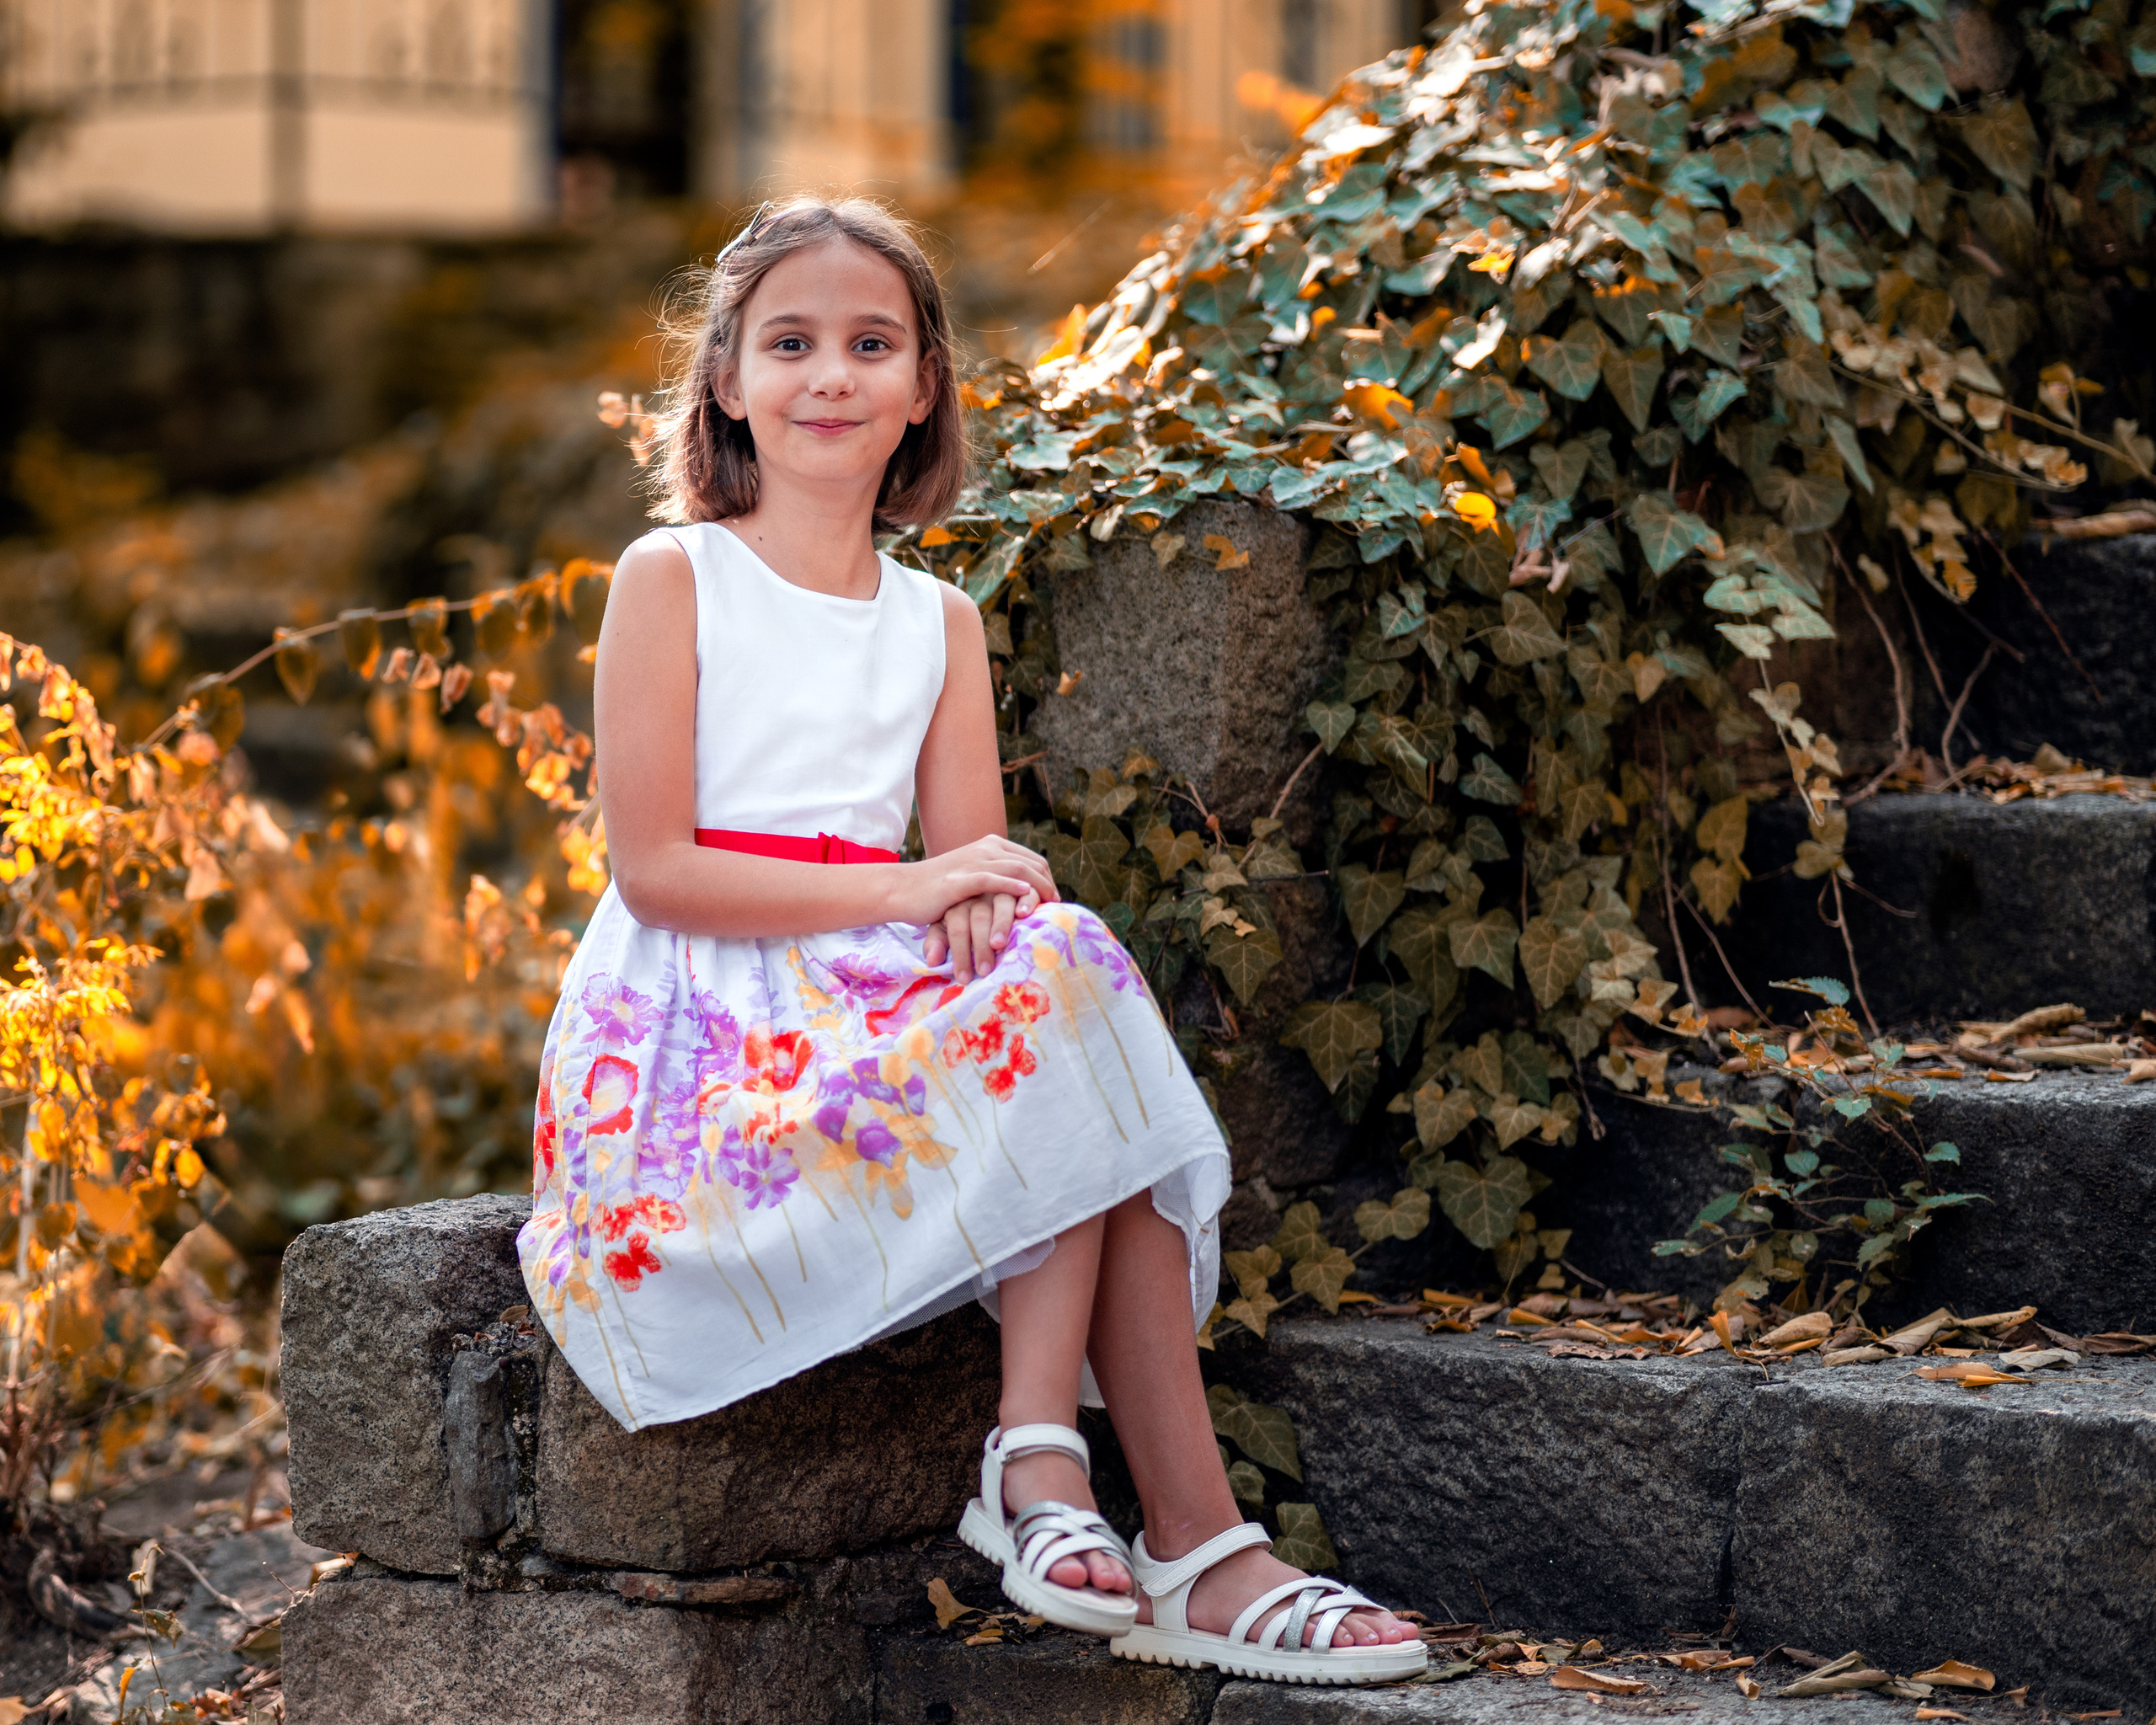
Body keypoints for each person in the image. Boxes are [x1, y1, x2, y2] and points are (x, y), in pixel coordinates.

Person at [516, 195, 1425, 1685]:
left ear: (923, 386)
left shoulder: (937, 620)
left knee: (1052, 962)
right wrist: (909, 892)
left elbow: (977, 880)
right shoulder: (675, 580)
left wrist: (980, 902)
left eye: (871, 344)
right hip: (696, 1058)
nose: (831, 374)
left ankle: (1061, 1470)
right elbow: (661, 871)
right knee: (1063, 1014)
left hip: (872, 1008)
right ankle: (1159, 1523)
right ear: (728, 380)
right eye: (791, 342)